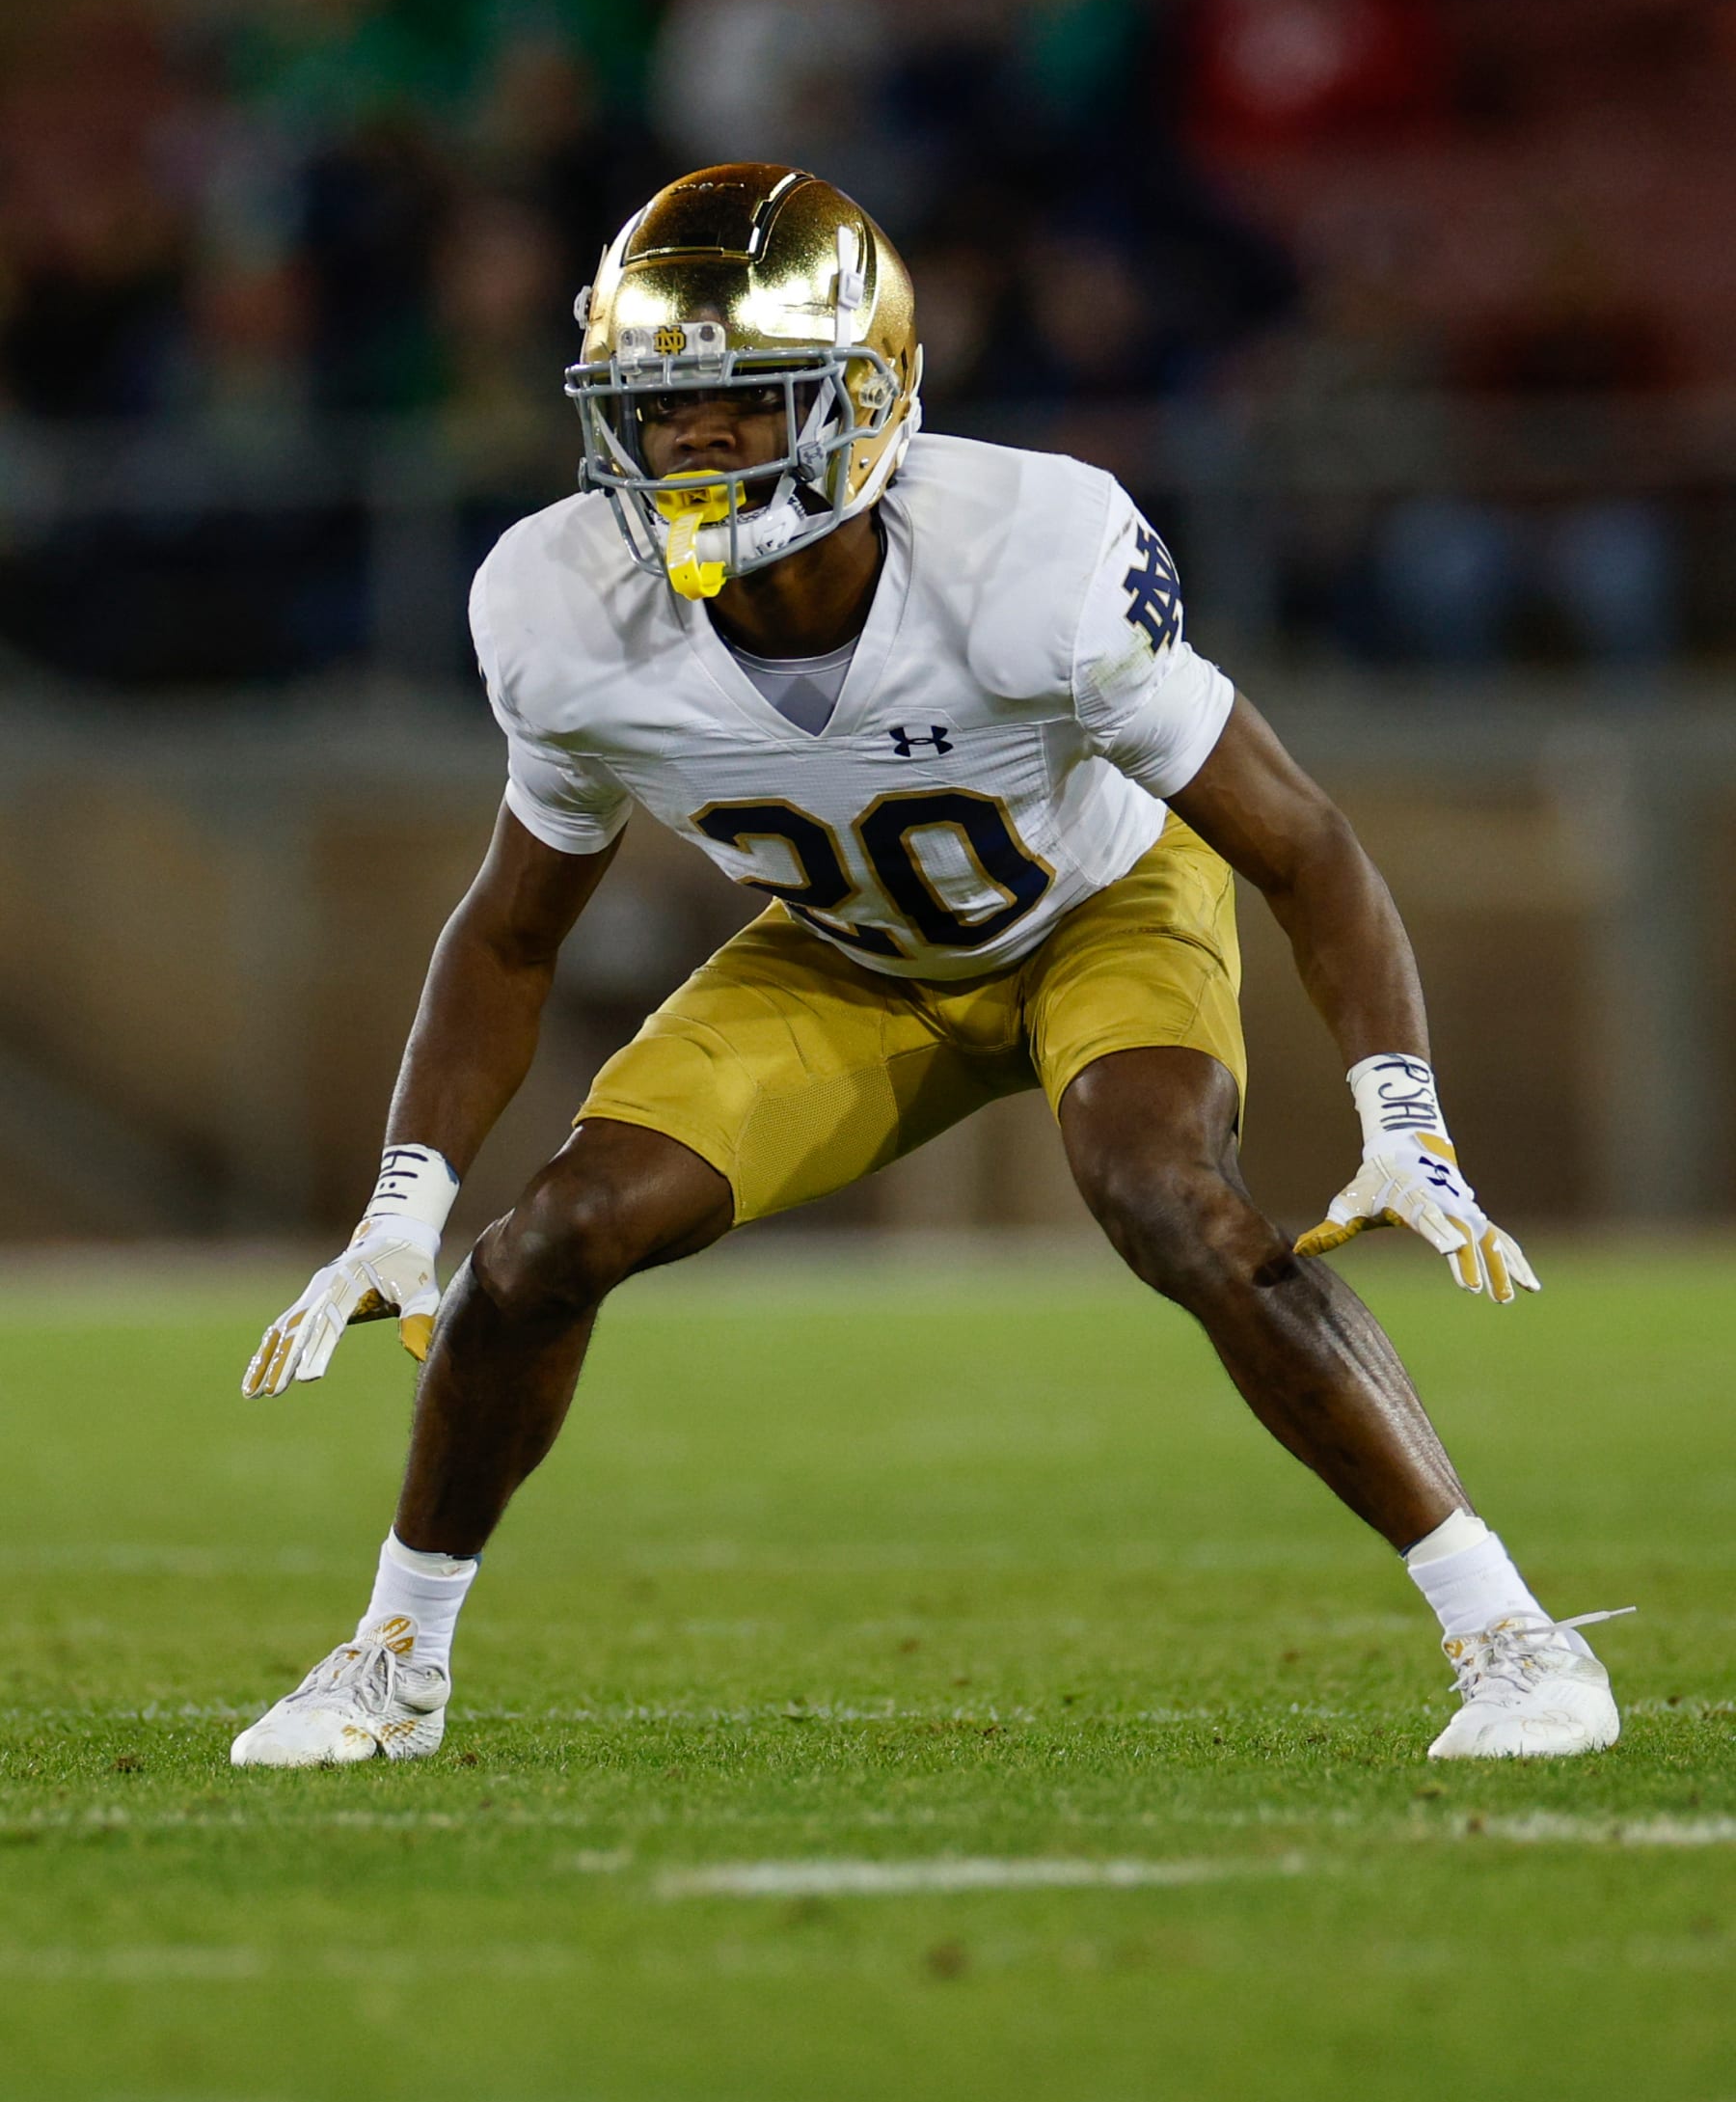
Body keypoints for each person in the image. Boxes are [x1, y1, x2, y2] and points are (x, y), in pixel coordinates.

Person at [231, 162, 1628, 1769]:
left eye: (745, 401)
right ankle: (393, 1662)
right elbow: (509, 927)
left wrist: (1403, 1111)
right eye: (660, 406)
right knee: (539, 1247)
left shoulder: (1034, 556)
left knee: (1168, 1196)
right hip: (848, 958)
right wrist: (404, 1206)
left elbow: (1304, 843)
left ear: (866, 397)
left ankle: (1510, 1635)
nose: (692, 444)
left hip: (1099, 906)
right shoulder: (560, 608)